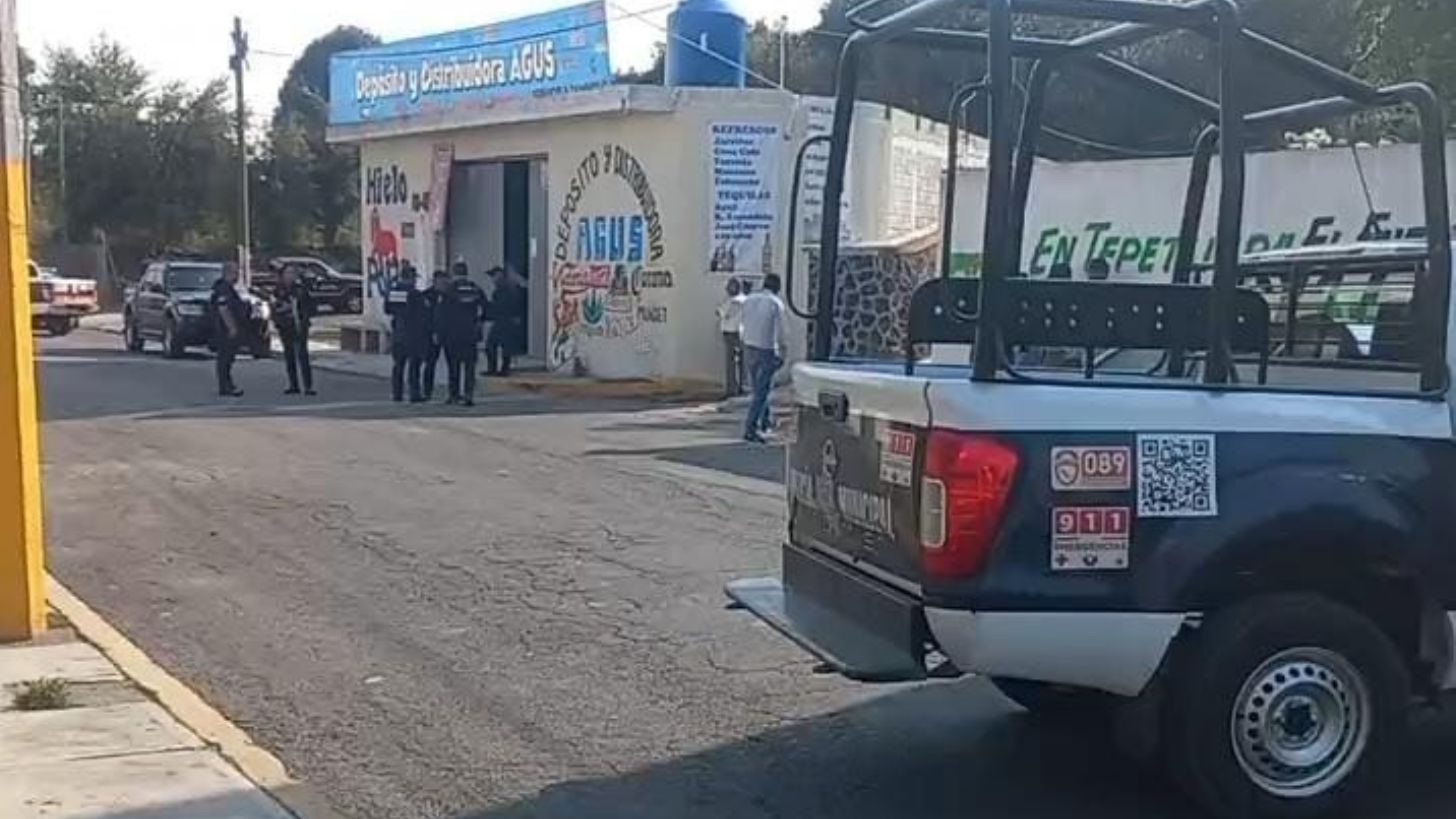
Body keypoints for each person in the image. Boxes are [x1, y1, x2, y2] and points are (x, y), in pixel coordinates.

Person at [739, 273, 786, 443]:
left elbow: (742, 322)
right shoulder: (775, 303)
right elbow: (780, 331)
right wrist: (782, 351)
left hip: (749, 346)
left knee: (758, 388)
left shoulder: (749, 299)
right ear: (777, 287)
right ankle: (751, 428)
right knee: (762, 390)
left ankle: (765, 421)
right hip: (766, 348)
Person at [440, 260, 488, 406]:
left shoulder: (449, 290)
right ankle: (468, 395)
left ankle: (454, 395)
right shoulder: (475, 289)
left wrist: (440, 333)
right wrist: (479, 322)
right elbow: (486, 308)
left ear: (454, 273)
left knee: (453, 367)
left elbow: (441, 314)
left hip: (453, 335)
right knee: (469, 367)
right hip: (470, 334)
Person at [384, 264, 429, 402]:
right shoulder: (415, 294)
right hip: (414, 334)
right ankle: (414, 394)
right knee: (414, 365)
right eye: (414, 278)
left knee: (398, 365)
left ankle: (397, 393)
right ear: (410, 278)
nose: (415, 281)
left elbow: (387, 309)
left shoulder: (393, 293)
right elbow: (423, 315)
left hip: (398, 333)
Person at [271, 265, 316, 396]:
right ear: (282, 275)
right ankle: (293, 384)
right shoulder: (278, 290)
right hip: (285, 326)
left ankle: (308, 386)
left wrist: (296, 310)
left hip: (299, 325)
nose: (290, 276)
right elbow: (273, 306)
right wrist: (280, 311)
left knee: (302, 354)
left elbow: (309, 306)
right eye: (287, 273)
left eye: (292, 273)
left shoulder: (300, 289)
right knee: (289, 355)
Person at [209, 261, 247, 397]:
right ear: (228, 273)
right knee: (225, 358)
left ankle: (227, 384)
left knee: (227, 358)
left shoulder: (228, 288)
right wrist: (232, 327)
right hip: (224, 329)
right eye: (235, 273)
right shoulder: (223, 289)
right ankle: (225, 386)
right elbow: (223, 308)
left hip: (225, 328)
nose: (237, 276)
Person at [485, 265, 527, 377]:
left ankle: (497, 369)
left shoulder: (504, 289)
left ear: (499, 275)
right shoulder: (506, 288)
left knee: (493, 345)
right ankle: (502, 369)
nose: (492, 279)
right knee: (503, 346)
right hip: (505, 320)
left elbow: (504, 305)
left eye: (493, 276)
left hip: (504, 320)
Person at [420, 270, 450, 400]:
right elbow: (424, 317)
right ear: (435, 281)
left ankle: (453, 392)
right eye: (441, 281)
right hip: (431, 334)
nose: (443, 284)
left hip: (449, 333)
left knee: (452, 364)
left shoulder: (451, 295)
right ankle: (427, 391)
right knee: (430, 363)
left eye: (445, 281)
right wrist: (432, 332)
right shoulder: (426, 295)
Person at [716, 278, 746, 397]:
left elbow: (721, 312)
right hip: (741, 333)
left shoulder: (734, 301)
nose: (727, 288)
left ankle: (732, 389)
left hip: (732, 332)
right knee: (740, 362)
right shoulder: (745, 300)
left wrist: (721, 311)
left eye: (730, 286)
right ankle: (740, 387)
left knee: (732, 363)